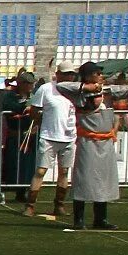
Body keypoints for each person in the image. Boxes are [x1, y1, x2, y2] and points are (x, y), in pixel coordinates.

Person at [69, 73, 125, 230]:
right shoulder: (82, 96)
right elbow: (63, 87)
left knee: (103, 181)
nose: (101, 77)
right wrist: (86, 87)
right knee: (83, 180)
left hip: (105, 145)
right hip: (88, 144)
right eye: (98, 74)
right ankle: (78, 219)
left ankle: (100, 219)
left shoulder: (106, 92)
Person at [24, 67, 78, 221]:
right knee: (40, 171)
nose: (70, 77)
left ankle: (59, 205)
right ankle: (30, 205)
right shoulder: (46, 89)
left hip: (69, 137)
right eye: (67, 73)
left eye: (72, 74)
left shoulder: (75, 91)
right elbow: (35, 110)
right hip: (49, 136)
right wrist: (41, 122)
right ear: (58, 74)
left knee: (64, 172)